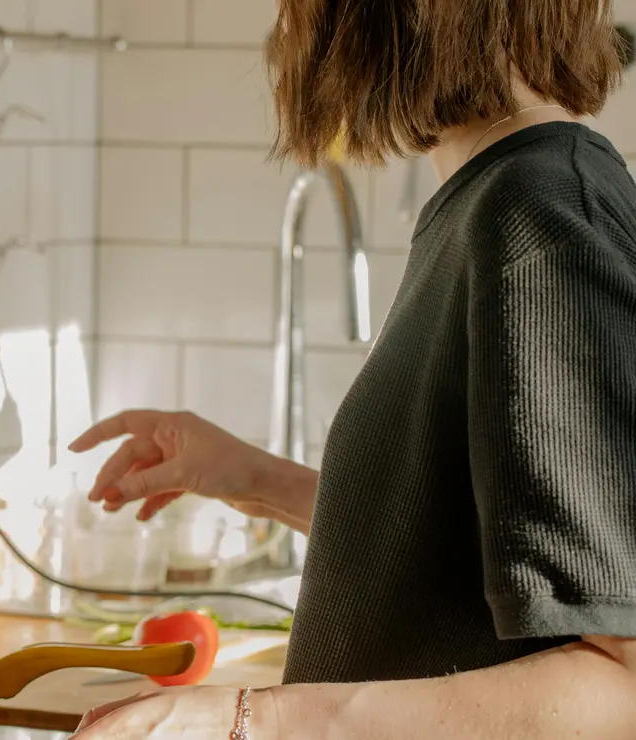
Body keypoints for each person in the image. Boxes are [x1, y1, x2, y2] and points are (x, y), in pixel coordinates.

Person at [67, 1, 636, 738]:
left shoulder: (535, 218)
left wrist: (251, 721)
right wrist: (256, 480)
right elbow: (465, 561)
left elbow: (622, 681)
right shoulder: (503, 193)